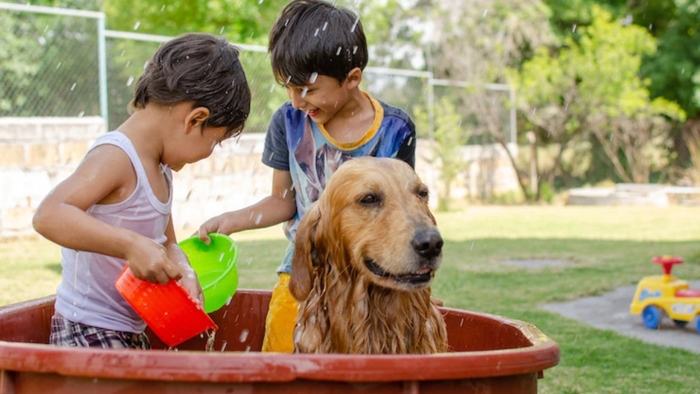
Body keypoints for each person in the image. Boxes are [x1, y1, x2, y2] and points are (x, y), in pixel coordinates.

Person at [197, 0, 417, 353]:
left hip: (375, 279)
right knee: (282, 358)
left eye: (308, 89)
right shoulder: (289, 123)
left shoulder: (393, 129)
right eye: (288, 87)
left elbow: (405, 212)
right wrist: (232, 219)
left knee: (371, 369)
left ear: (352, 78)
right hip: (302, 271)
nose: (297, 101)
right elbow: (282, 202)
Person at [32, 33, 251, 349]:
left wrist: (186, 272)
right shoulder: (118, 156)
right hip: (88, 329)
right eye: (215, 142)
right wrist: (131, 245)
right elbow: (49, 215)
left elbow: (169, 244)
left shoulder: (161, 168)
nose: (210, 153)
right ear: (195, 119)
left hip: (129, 330)